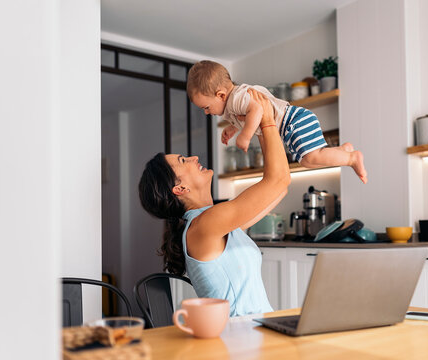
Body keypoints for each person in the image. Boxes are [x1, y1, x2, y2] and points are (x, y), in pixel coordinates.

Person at [138, 89, 290, 317]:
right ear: (180, 189)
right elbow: (278, 180)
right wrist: (266, 121)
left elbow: (280, 187)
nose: (194, 158)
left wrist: (258, 125)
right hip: (239, 340)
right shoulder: (205, 225)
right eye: (183, 160)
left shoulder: (216, 221)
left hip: (259, 331)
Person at [186, 60, 368, 184]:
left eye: (206, 107)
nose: (207, 112)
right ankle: (343, 151)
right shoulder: (234, 104)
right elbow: (249, 115)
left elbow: (257, 110)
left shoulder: (237, 97)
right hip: (293, 124)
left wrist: (246, 135)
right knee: (306, 161)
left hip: (294, 120)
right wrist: (233, 128)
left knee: (311, 157)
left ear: (221, 95)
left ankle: (352, 158)